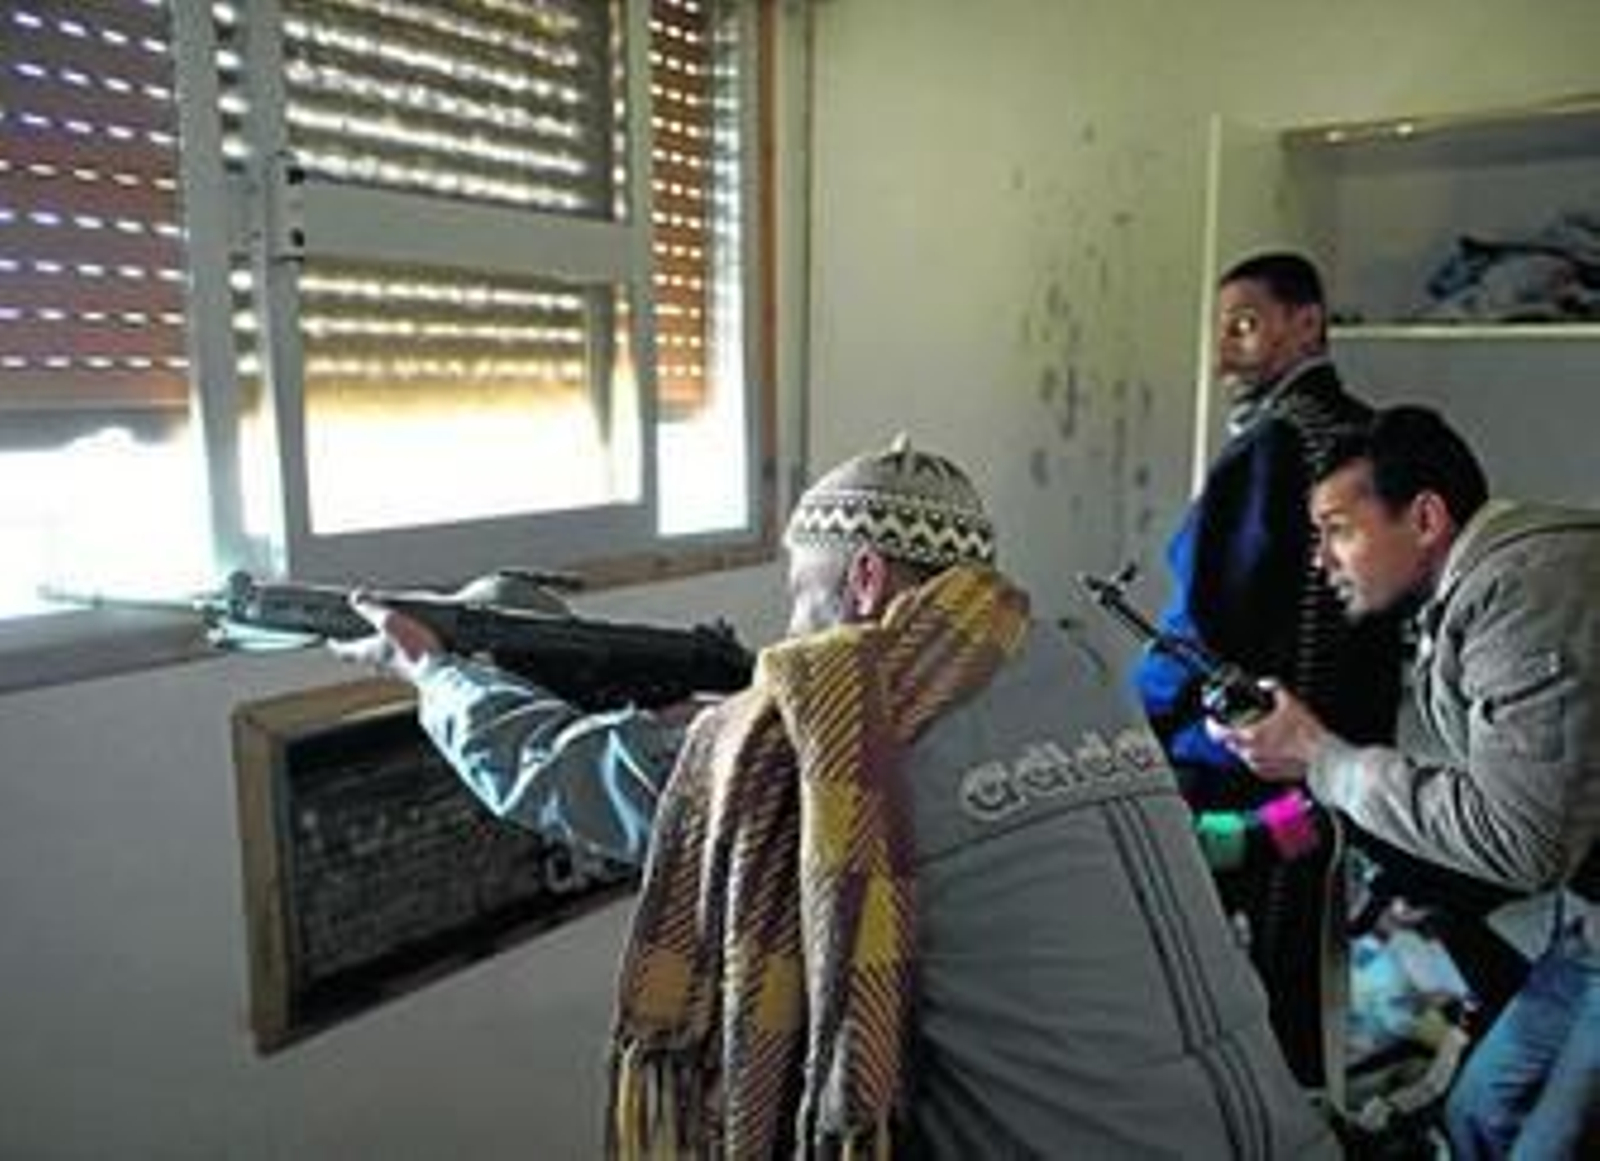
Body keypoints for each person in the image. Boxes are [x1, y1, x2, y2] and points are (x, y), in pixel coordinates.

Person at [607, 435, 1336, 1158]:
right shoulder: (1077, 666)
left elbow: (646, 798)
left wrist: (491, 700)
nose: (790, 633)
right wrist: (1267, 830)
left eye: (800, 595)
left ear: (864, 578)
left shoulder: (843, 746)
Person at [1212, 405, 1600, 1159]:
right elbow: (1459, 782)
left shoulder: (1527, 591)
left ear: (1424, 517)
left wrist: (1322, 759)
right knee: (1481, 1114)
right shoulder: (1463, 605)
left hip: (1570, 907)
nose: (1320, 559)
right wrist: (1299, 786)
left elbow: (1520, 841)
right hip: (1583, 922)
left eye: (1339, 529)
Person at [1134, 249, 1406, 1087]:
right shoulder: (1373, 436)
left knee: (1217, 965)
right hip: (1338, 762)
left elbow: (1204, 620)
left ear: (1307, 323)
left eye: (1246, 323)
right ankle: (1301, 1107)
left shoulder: (1272, 449)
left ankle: (1246, 1113)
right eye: (1221, 329)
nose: (1225, 350)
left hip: (1246, 761)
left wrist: (1138, 729)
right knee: (1303, 950)